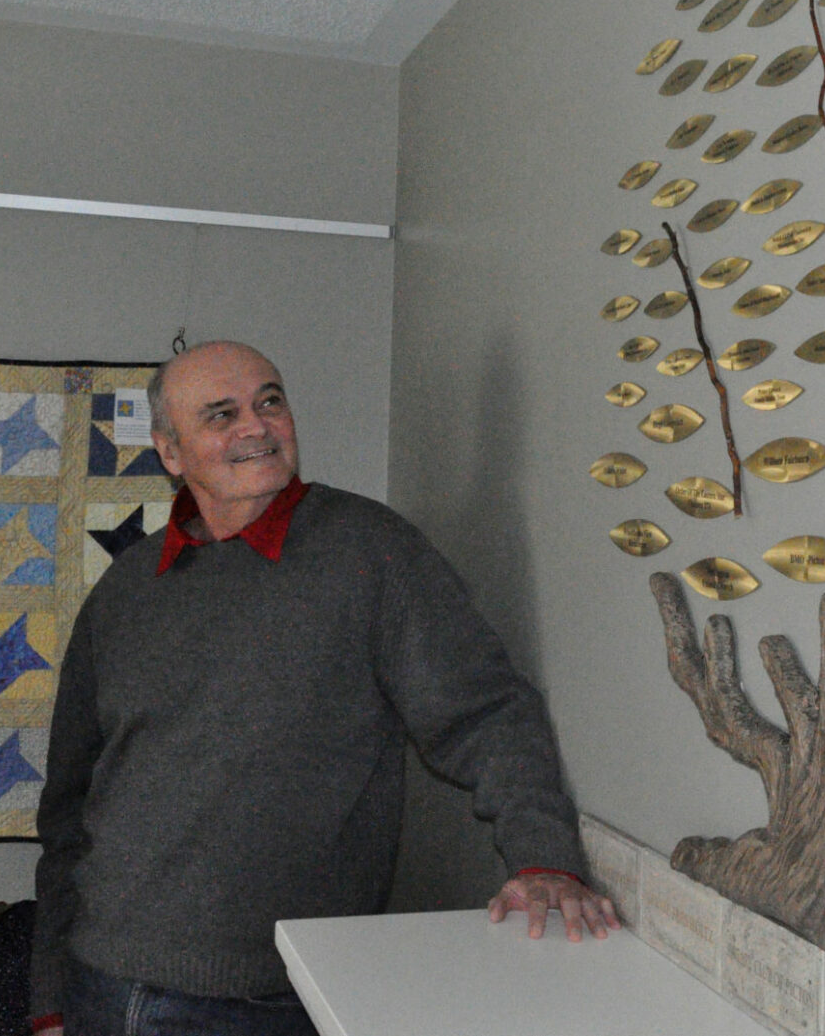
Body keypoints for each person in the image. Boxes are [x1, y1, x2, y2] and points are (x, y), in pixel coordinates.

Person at [31, 340, 617, 1035]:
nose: (256, 425)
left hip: (270, 1003)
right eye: (221, 414)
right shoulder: (125, 592)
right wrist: (49, 994)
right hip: (99, 984)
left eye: (269, 400)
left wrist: (546, 857)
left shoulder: (370, 553)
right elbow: (69, 810)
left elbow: (488, 713)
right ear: (171, 451)